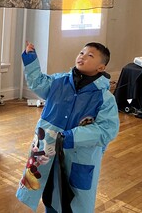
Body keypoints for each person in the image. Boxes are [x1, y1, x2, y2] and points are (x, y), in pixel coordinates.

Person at [16, 41, 119, 213]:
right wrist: (31, 59)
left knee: (75, 200)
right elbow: (38, 83)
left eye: (90, 55)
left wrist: (72, 136)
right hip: (47, 150)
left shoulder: (104, 98)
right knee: (49, 189)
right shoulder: (58, 81)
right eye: (81, 53)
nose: (82, 56)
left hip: (79, 155)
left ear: (101, 68)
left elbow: (106, 130)